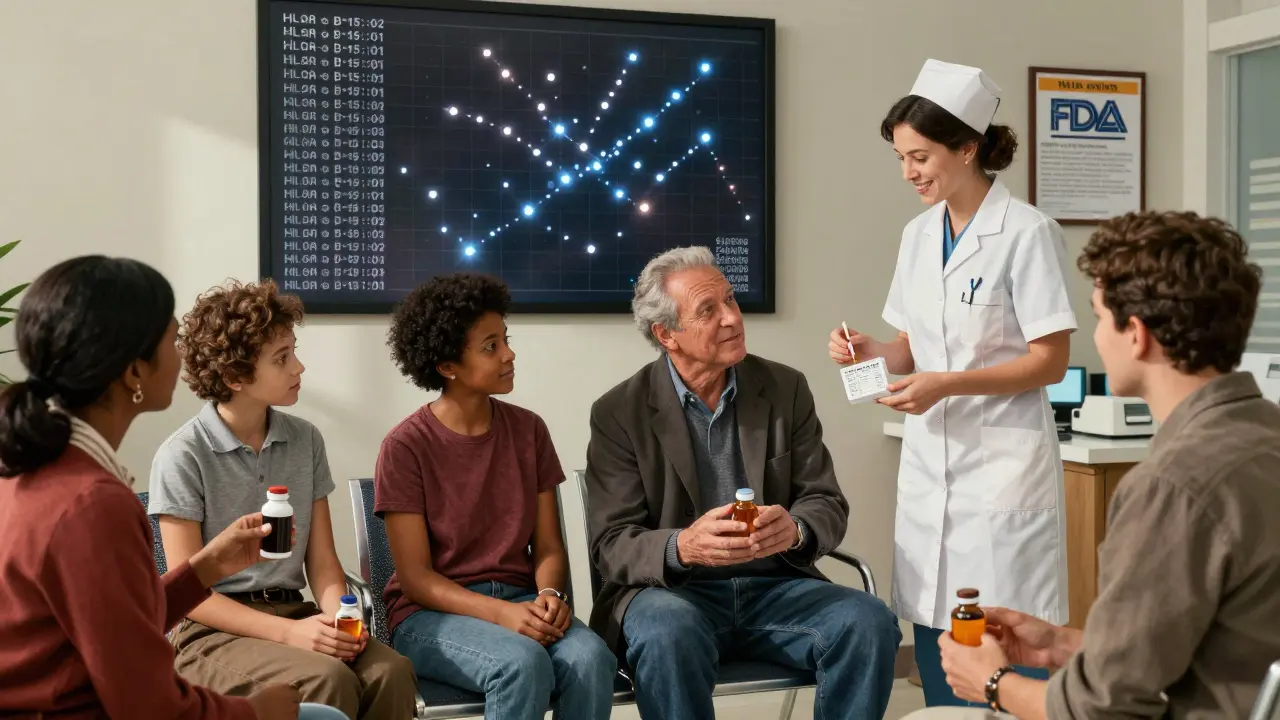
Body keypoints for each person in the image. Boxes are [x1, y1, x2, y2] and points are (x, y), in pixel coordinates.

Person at [917, 211, 1280, 719]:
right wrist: (1063, 646)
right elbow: (1213, 641)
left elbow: (1099, 710)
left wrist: (992, 682)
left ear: (1136, 334)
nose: (1096, 338)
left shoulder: (1172, 487)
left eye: (1097, 317)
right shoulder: (1266, 435)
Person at [827, 58, 1075, 706]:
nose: (908, 172)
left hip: (1001, 472)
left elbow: (1050, 360)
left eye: (920, 156)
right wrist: (865, 351)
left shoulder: (1026, 233)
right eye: (901, 158)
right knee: (937, 634)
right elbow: (908, 348)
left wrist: (947, 384)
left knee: (1003, 641)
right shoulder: (916, 236)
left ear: (968, 148)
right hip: (933, 471)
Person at [587, 246, 901, 720]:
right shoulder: (619, 412)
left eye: (731, 301)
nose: (732, 318)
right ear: (665, 334)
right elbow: (610, 544)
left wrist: (795, 530)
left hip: (775, 587)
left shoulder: (784, 388)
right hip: (673, 594)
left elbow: (825, 500)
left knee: (868, 621)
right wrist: (683, 546)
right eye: (708, 311)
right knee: (668, 631)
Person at [0, 256, 301, 719]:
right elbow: (150, 708)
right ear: (134, 372)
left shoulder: (35, 470)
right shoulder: (91, 505)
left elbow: (111, 626)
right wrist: (259, 712)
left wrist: (203, 569)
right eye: (170, 335)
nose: (182, 351)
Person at [148, 279, 417, 720]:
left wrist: (339, 622)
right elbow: (190, 593)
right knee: (325, 680)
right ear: (236, 376)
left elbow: (324, 564)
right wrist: (290, 636)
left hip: (296, 612)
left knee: (391, 671)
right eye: (282, 358)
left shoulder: (305, 440)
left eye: (294, 351)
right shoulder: (182, 456)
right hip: (212, 634)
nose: (299, 367)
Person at [374, 272, 617, 720]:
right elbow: (415, 579)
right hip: (429, 617)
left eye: (505, 339)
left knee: (593, 659)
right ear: (447, 365)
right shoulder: (405, 446)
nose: (509, 354)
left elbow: (547, 545)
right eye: (490, 347)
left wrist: (549, 594)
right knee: (519, 664)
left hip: (520, 601)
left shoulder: (529, 430)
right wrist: (499, 615)